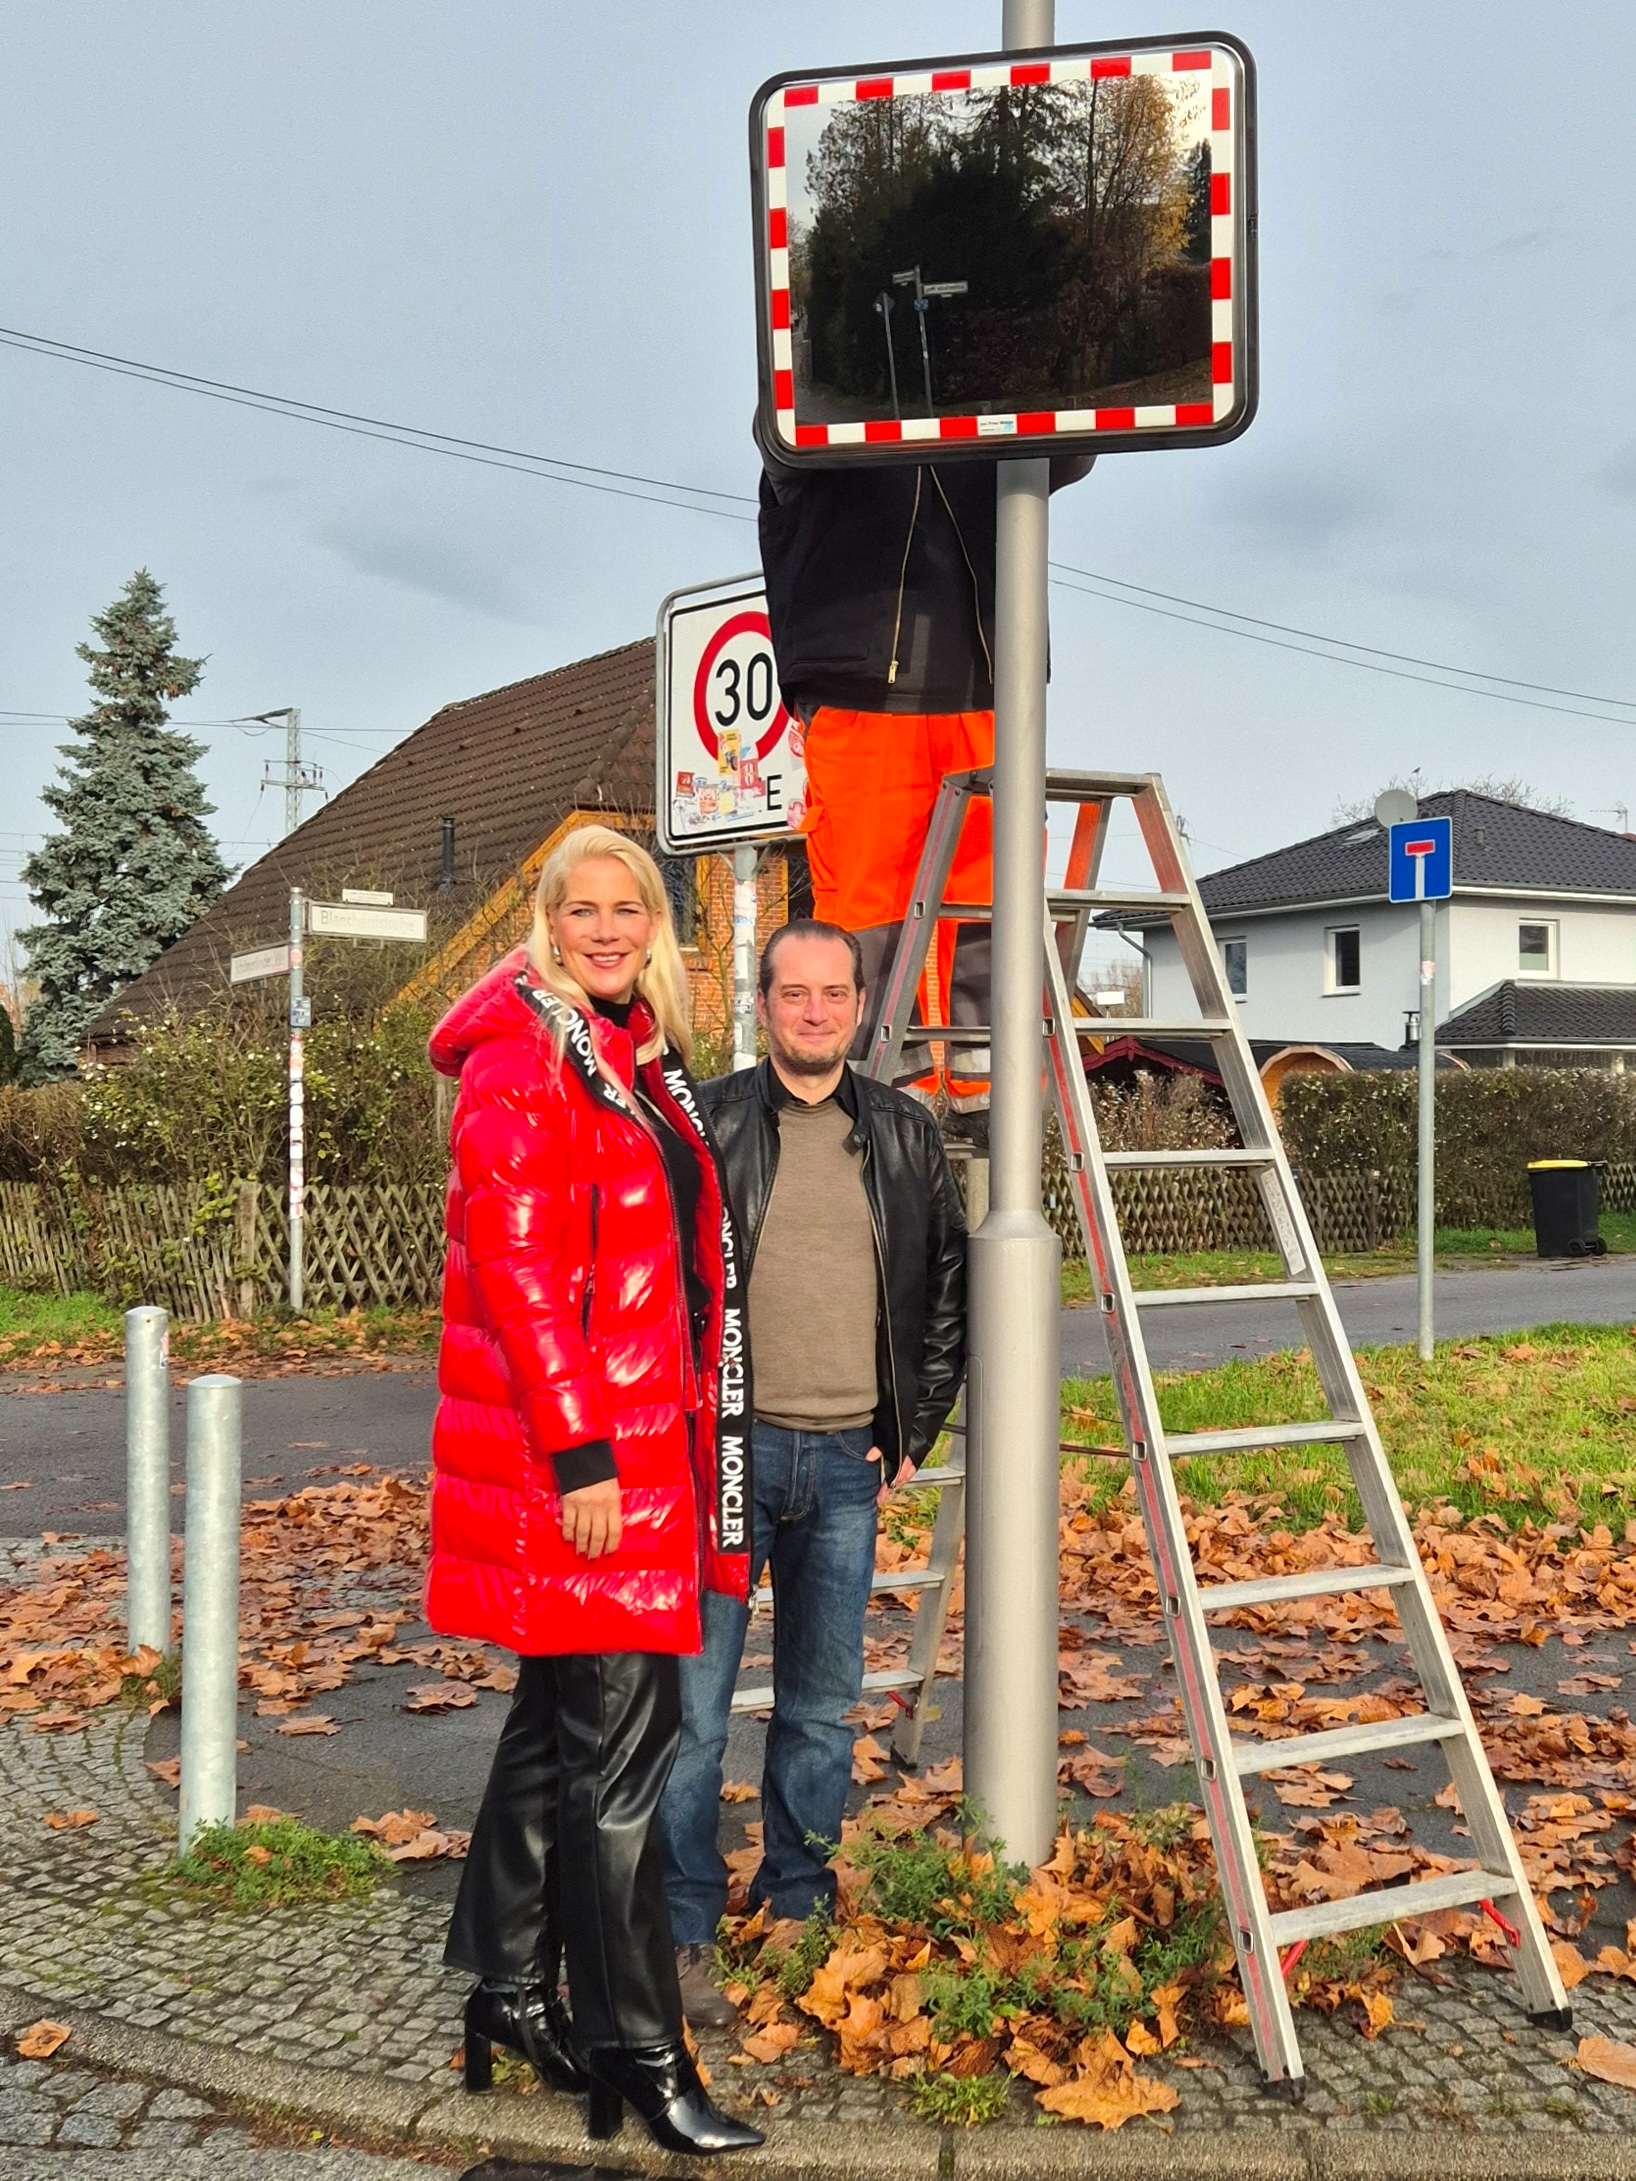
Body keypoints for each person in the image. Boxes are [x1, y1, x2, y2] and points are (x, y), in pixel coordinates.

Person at [425, 825, 763, 2157]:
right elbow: (517, 1280)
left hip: (630, 1449)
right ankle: (637, 2041)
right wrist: (584, 1459)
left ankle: (507, 1991)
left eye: (631, 908)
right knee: (622, 1764)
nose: (611, 927)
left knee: (554, 1742)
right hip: (587, 1470)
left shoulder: (626, 1054)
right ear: (545, 919)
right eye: (586, 908)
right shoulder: (525, 1060)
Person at [660, 918, 967, 2022]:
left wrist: (915, 1428)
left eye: (833, 993)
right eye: (794, 993)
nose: (815, 1012)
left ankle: (798, 1902)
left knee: (820, 1710)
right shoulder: (707, 1121)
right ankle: (684, 1925)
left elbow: (945, 1294)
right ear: (764, 1002)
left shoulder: (902, 1132)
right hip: (725, 1463)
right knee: (692, 1715)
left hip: (847, 1464)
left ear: (856, 1005)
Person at [757, 428, 1090, 1104]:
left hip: (994, 682)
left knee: (994, 896)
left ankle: (991, 1095)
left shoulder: (986, 395)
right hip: (861, 685)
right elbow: (784, 439)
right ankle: (878, 1103)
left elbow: (1073, 445)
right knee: (868, 906)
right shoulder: (826, 392)